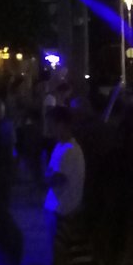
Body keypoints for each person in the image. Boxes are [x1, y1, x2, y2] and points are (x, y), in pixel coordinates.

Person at [44, 107, 85, 253]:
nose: (48, 128)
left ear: (61, 124)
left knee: (60, 252)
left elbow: (57, 178)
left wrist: (45, 178)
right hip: (58, 209)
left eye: (51, 124)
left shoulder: (70, 150)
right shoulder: (61, 146)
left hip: (64, 211)